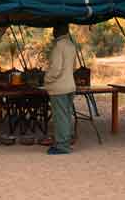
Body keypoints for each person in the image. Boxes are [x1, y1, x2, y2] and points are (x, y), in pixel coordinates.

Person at [44, 23, 77, 155]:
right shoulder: (71, 45)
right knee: (66, 115)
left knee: (60, 117)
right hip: (70, 85)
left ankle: (62, 146)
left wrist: (47, 79)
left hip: (59, 88)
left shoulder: (58, 46)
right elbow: (74, 67)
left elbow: (56, 69)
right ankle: (66, 141)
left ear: (56, 31)